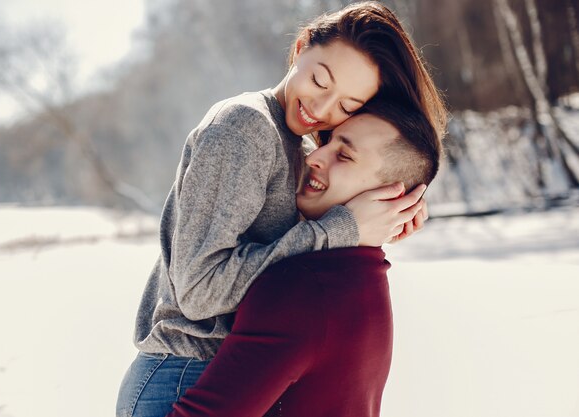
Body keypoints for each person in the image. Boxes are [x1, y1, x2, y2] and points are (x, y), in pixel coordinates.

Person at [116, 2, 448, 417]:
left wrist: (386, 211)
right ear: (300, 47)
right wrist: (338, 231)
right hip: (182, 375)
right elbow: (200, 292)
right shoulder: (243, 127)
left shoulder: (305, 145)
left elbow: (297, 262)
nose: (323, 110)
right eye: (319, 80)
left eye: (347, 106)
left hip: (235, 377)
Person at [166, 99, 441, 417]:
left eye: (344, 155)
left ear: (393, 198)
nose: (314, 156)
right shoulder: (365, 278)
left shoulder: (303, 287)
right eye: (328, 141)